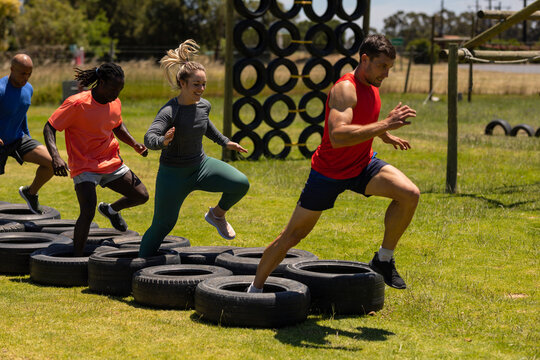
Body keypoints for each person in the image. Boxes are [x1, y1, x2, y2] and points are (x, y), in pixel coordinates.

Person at [248, 34, 420, 293]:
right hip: (329, 172)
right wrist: (385, 124)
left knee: (409, 194)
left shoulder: (372, 87)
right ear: (365, 59)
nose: (386, 73)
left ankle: (384, 259)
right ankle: (254, 289)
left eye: (390, 68)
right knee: (293, 236)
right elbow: (339, 136)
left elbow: (362, 120)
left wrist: (384, 135)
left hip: (362, 165)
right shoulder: (345, 88)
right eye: (383, 66)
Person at [138, 39, 249, 258]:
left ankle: (217, 215)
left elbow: (204, 125)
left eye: (204, 84)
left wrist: (224, 142)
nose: (201, 89)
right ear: (183, 84)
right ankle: (139, 266)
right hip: (173, 175)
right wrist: (163, 141)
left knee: (240, 183)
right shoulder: (170, 111)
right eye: (196, 84)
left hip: (201, 166)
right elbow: (149, 137)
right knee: (163, 225)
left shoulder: (204, 105)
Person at [43, 63, 149, 256]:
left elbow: (116, 124)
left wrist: (134, 144)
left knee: (141, 195)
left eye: (120, 89)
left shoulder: (114, 101)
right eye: (113, 88)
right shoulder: (77, 103)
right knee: (88, 210)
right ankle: (77, 257)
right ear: (101, 82)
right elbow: (49, 127)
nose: (116, 94)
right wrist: (56, 157)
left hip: (110, 160)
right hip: (84, 165)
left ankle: (111, 210)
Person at [0, 54, 54, 214]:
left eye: (29, 73)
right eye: (23, 73)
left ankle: (30, 193)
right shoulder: (1, 89)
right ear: (12, 69)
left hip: (18, 139)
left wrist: (27, 135)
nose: (26, 77)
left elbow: (21, 112)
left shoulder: (28, 89)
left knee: (52, 163)